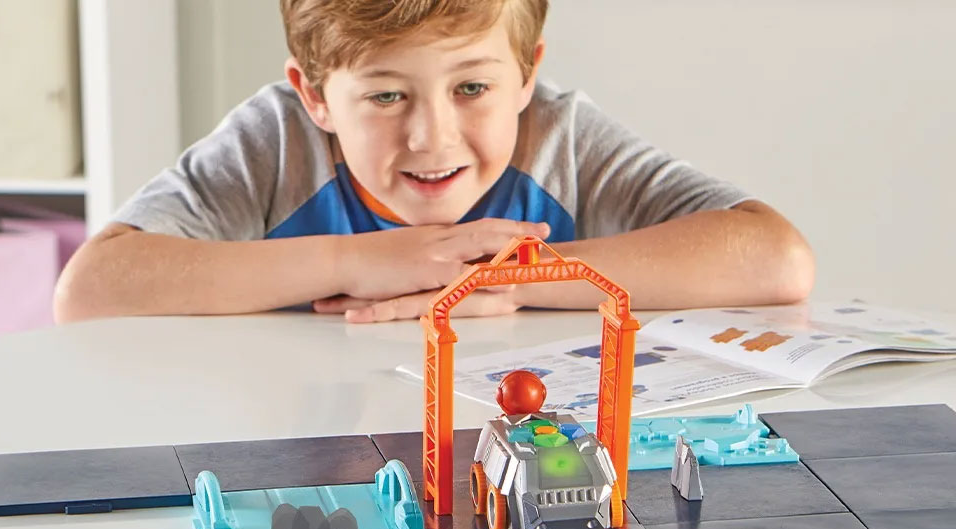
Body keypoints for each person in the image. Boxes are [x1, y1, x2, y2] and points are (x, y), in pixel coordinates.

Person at [54, 0, 814, 324]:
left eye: (472, 88)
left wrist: (499, 278)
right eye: (386, 96)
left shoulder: (560, 138)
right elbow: (92, 287)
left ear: (527, 74)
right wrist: (358, 263)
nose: (432, 137)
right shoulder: (276, 143)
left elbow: (774, 257)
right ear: (315, 95)